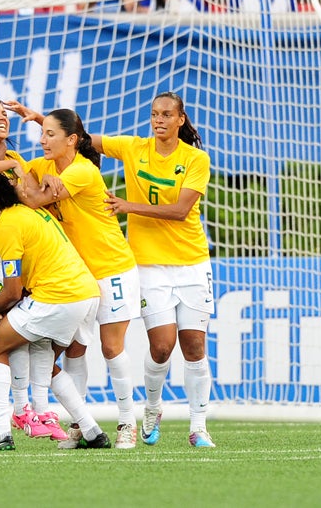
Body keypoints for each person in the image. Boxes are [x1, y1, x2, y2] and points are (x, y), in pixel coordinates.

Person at [4, 105, 141, 449]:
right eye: (42, 133)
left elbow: (33, 198)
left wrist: (22, 174)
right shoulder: (45, 165)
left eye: (50, 134)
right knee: (74, 351)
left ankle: (127, 422)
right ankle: (80, 425)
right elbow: (21, 176)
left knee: (111, 348)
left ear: (72, 140)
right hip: (80, 276)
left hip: (112, 268)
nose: (42, 140)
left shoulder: (82, 171)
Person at [99, 91, 216, 448]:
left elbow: (180, 211)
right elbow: (79, 137)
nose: (159, 120)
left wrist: (128, 206)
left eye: (166, 114)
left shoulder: (195, 159)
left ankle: (198, 427)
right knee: (162, 347)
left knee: (194, 346)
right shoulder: (134, 148)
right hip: (149, 267)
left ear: (180, 119)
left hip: (192, 264)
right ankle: (152, 407)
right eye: (154, 114)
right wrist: (41, 119)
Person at [0, 173, 110, 451]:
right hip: (84, 292)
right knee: (43, 361)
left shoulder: (7, 225)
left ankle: (1, 434)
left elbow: (11, 291)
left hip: (58, 296)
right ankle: (92, 431)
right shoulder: (28, 212)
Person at [0, 97, 64, 440]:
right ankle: (22, 410)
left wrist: (51, 185)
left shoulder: (14, 157)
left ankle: (34, 409)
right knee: (10, 326)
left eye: (4, 113)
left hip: (12, 248)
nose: (2, 117)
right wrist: (13, 167)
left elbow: (31, 198)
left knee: (27, 331)